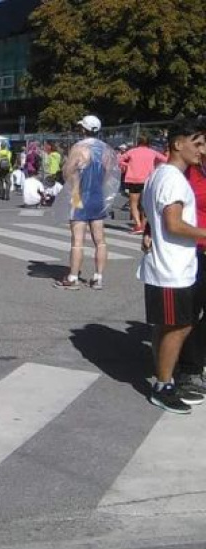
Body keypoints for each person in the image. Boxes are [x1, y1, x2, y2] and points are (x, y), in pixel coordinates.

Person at [137, 119, 206, 414]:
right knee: (179, 326)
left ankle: (164, 378)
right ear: (178, 144)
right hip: (171, 268)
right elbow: (173, 224)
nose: (201, 150)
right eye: (197, 143)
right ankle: (163, 386)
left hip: (169, 265)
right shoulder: (173, 178)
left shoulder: (161, 174)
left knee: (170, 325)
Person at [54, 115, 119, 291]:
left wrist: (74, 187)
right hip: (97, 196)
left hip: (79, 195)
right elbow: (109, 173)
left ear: (83, 129)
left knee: (77, 240)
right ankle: (98, 277)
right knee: (100, 240)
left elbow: (68, 171)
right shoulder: (105, 149)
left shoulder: (79, 148)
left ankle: (73, 277)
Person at [176, 135, 206, 398]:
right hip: (194, 249)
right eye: (200, 144)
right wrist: (149, 231)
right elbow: (167, 206)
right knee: (189, 312)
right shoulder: (187, 171)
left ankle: (194, 361)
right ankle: (189, 370)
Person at [120, 135, 167, 234]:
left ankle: (138, 225)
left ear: (138, 142)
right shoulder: (152, 152)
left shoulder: (132, 151)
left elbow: (119, 159)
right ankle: (144, 225)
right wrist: (155, 165)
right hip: (148, 180)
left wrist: (127, 165)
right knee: (146, 204)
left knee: (134, 203)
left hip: (134, 180)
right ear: (149, 143)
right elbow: (165, 160)